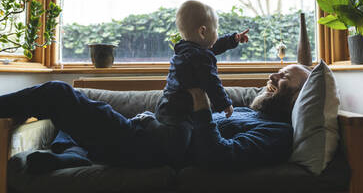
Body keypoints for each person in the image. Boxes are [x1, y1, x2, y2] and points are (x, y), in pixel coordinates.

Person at [0, 64, 310, 173]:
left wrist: (200, 104)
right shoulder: (248, 111)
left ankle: (74, 153)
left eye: (284, 78)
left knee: (57, 93)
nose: (272, 76)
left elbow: (221, 158)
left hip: (146, 147)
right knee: (73, 118)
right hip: (145, 134)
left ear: (297, 97)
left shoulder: (277, 134)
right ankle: (72, 156)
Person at [153, 0, 249, 166]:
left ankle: (150, 124)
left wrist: (233, 39)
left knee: (168, 134)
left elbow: (213, 46)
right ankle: (149, 126)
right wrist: (225, 103)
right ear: (202, 31)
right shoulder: (200, 57)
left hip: (167, 105)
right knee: (178, 144)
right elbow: (211, 82)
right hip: (179, 113)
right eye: (216, 29)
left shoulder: (186, 49)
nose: (217, 33)